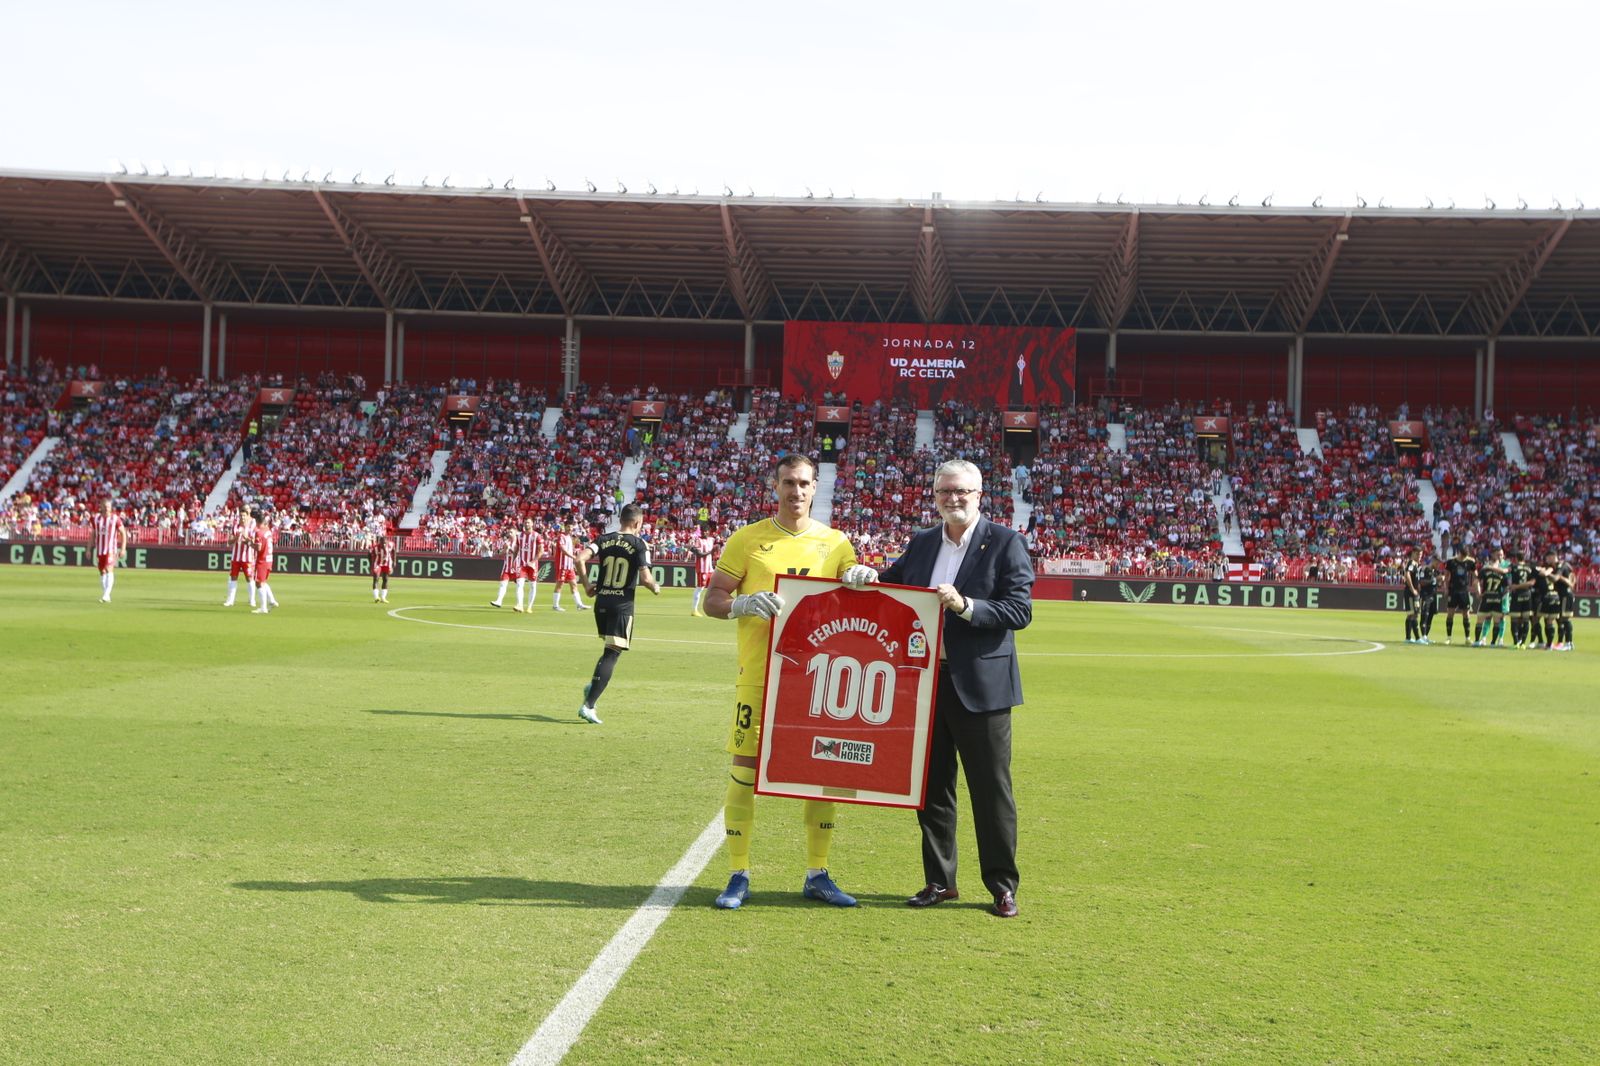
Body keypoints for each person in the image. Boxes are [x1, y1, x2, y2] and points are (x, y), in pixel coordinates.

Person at [847, 458, 1034, 918]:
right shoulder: (924, 542)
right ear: (934, 495)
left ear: (979, 495)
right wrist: (866, 577)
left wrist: (967, 606)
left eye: (962, 492)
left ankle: (1002, 886)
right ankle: (939, 881)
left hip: (982, 688)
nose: (953, 499)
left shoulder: (1007, 542)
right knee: (930, 789)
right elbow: (893, 586)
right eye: (944, 491)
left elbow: (1019, 611)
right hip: (925, 685)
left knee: (991, 792)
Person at [703, 453, 867, 910]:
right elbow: (712, 599)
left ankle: (818, 872)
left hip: (817, 681)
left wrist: (860, 579)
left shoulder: (836, 544)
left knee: (824, 773)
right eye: (788, 483)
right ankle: (738, 873)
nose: (796, 492)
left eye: (804, 483)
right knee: (745, 771)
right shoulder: (747, 539)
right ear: (775, 486)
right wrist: (742, 603)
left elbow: (856, 603)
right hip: (758, 675)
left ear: (816, 488)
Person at [573, 503, 661, 724]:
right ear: (637, 522)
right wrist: (656, 588)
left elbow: (579, 559)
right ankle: (589, 704)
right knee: (612, 654)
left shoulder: (603, 539)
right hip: (621, 606)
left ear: (621, 520)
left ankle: (593, 686)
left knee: (608, 651)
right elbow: (646, 578)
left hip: (601, 603)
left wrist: (586, 586)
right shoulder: (639, 544)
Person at [90, 497, 129, 604]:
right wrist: (88, 548)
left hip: (111, 549)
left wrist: (123, 548)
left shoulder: (115, 519)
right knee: (102, 571)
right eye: (105, 507)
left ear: (111, 508)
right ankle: (106, 594)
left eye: (109, 507)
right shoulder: (96, 518)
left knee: (109, 569)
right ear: (101, 507)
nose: (107, 509)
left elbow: (123, 533)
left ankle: (106, 595)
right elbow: (93, 534)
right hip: (99, 550)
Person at [1441, 544, 1477, 644]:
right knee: (1450, 613)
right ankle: (1448, 637)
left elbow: (1475, 575)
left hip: (1464, 591)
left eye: (1465, 556)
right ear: (1459, 553)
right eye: (1462, 556)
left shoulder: (1470, 562)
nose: (1463, 558)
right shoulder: (1451, 561)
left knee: (1466, 614)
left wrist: (1476, 584)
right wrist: (1446, 588)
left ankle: (1467, 638)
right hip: (1453, 590)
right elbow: (1447, 575)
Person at [1473, 546, 1509, 647]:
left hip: (1487, 596)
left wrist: (1479, 593)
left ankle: (1477, 641)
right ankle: (1493, 643)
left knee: (1481, 619)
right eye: (1498, 554)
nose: (1499, 555)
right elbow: (1507, 587)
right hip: (1497, 598)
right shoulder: (1502, 570)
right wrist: (1501, 596)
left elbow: (1476, 581)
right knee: (1497, 621)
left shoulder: (1485, 568)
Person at [551, 521, 588, 612]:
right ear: (565, 527)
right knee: (560, 585)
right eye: (568, 527)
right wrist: (573, 557)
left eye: (571, 527)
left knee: (574, 584)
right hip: (562, 565)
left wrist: (572, 561)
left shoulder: (570, 538)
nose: (570, 529)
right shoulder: (561, 537)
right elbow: (563, 550)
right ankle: (555, 606)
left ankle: (579, 604)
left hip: (569, 566)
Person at [222, 507, 256, 608]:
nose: (242, 518)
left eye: (244, 516)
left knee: (249, 578)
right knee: (233, 578)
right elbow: (229, 541)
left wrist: (246, 539)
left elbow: (253, 542)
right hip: (235, 557)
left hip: (247, 557)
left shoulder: (250, 528)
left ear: (247, 516)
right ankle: (230, 600)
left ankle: (252, 600)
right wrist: (236, 538)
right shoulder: (235, 527)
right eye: (241, 516)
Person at [1505, 549, 1536, 649]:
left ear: (1516, 558)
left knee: (1514, 619)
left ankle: (1516, 643)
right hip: (1527, 595)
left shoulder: (1512, 567)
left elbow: (1506, 574)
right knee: (1526, 620)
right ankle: (1523, 643)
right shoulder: (1530, 567)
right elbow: (1532, 583)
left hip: (1517, 595)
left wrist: (1514, 586)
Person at [490, 523, 523, 609]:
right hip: (507, 567)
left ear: (516, 532)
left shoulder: (519, 542)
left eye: (511, 532)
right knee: (503, 584)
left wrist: (510, 549)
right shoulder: (507, 542)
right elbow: (501, 553)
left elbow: (518, 553)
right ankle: (499, 601)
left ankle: (519, 604)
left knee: (519, 585)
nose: (510, 534)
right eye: (509, 532)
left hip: (517, 567)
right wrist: (504, 550)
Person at [251, 510, 279, 613]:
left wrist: (249, 543)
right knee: (263, 582)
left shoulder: (259, 532)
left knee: (259, 583)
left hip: (262, 560)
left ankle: (263, 608)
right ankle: (272, 601)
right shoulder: (268, 530)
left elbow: (258, 548)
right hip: (269, 559)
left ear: (257, 522)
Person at [688, 525, 717, 616]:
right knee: (700, 588)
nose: (704, 532)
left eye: (706, 531)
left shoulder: (711, 540)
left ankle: (712, 607)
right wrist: (711, 552)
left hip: (710, 568)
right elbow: (699, 554)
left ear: (709, 532)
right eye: (703, 531)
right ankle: (694, 610)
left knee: (712, 588)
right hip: (702, 568)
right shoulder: (699, 540)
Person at [369, 532, 395, 603]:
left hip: (386, 564)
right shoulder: (375, 547)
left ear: (387, 542)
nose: (383, 544)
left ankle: (383, 598)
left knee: (385, 579)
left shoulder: (390, 545)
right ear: (379, 542)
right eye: (382, 543)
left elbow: (394, 551)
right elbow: (369, 554)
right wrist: (371, 564)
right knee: (376, 579)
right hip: (377, 564)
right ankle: (376, 597)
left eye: (384, 543)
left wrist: (394, 561)